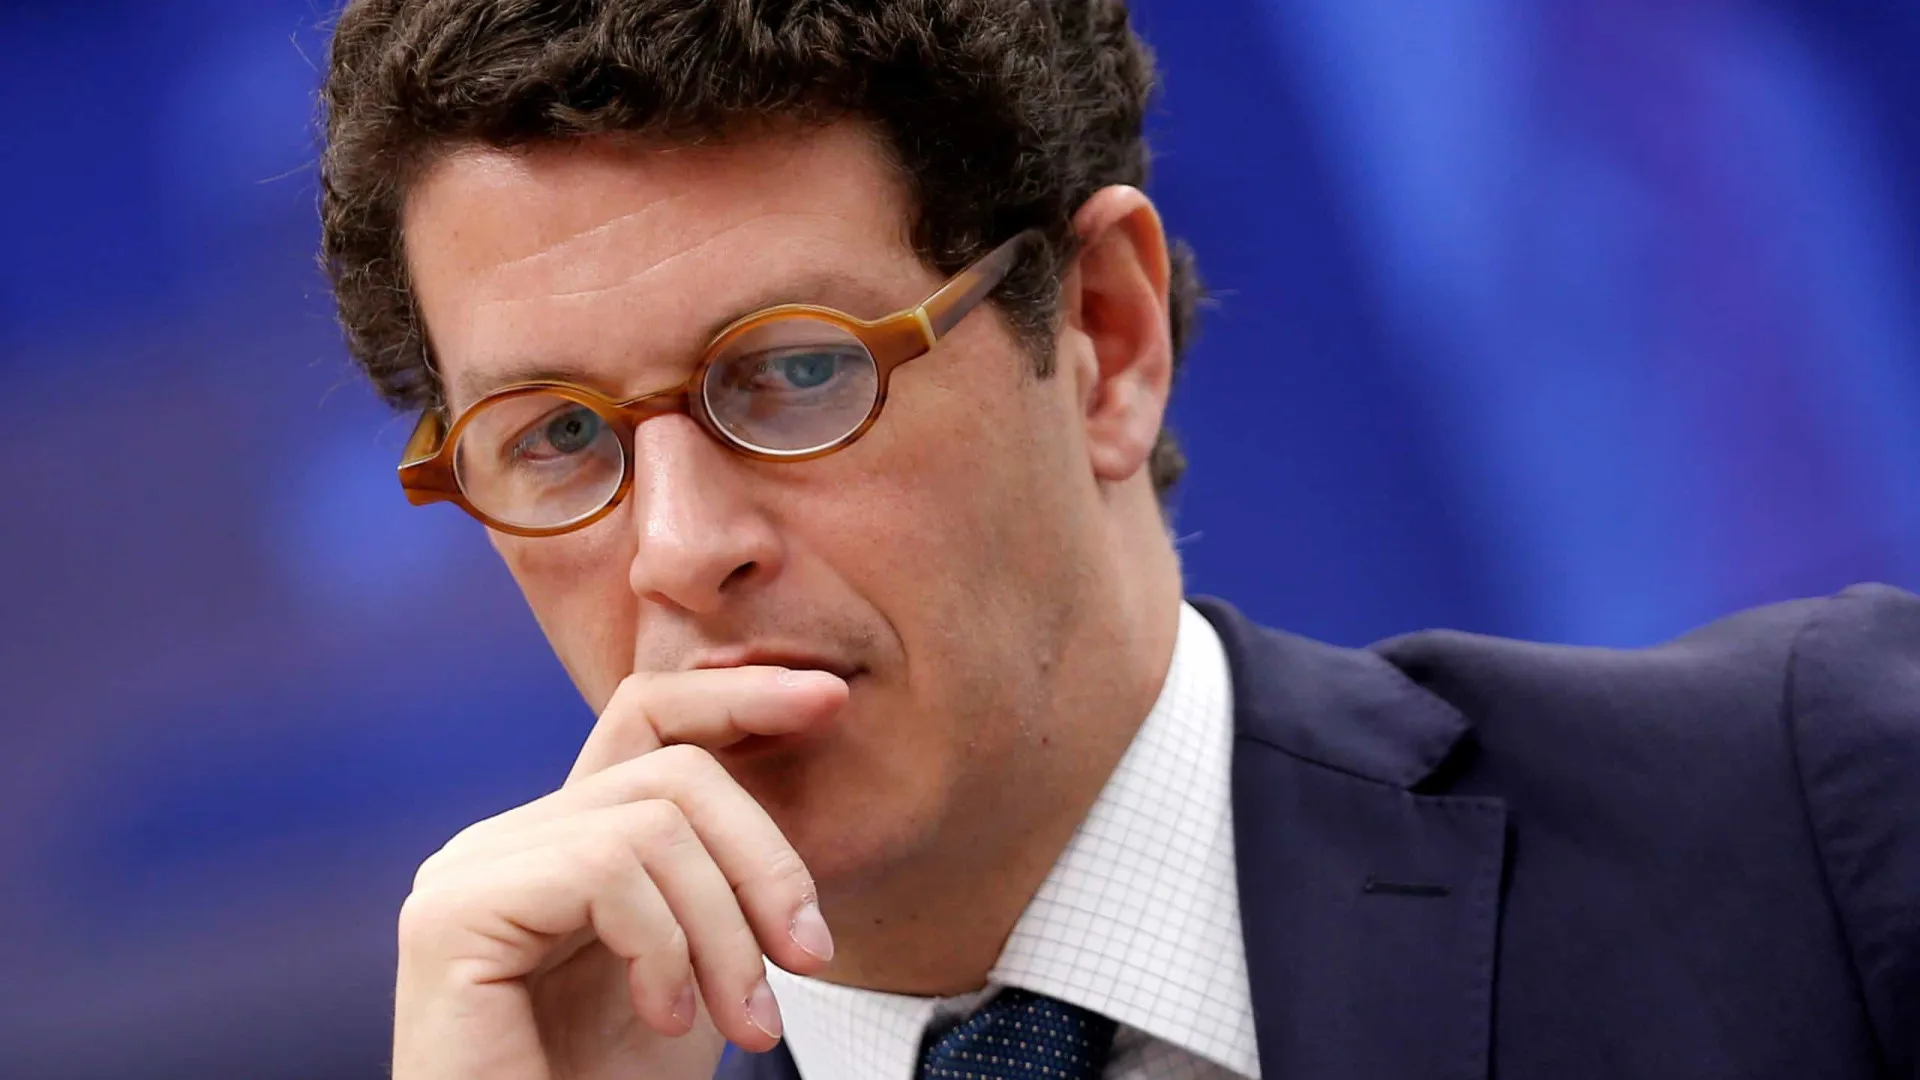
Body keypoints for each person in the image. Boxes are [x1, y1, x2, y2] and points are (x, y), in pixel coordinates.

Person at [317, 2, 1920, 1078]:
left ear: (1103, 333)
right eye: (558, 438)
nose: (678, 548)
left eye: (795, 371)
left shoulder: (1816, 818)